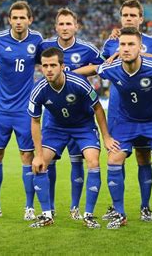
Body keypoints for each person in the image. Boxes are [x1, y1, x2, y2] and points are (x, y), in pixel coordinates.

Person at [77, 27, 152, 230]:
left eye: (131, 44)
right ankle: (120, 213)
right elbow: (92, 70)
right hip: (126, 121)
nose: (125, 48)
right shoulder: (112, 67)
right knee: (114, 159)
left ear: (140, 47)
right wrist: (67, 73)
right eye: (122, 44)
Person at [28, 47, 117, 228]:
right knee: (40, 164)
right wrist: (37, 154)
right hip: (56, 128)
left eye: (53, 65)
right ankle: (46, 215)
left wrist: (106, 136)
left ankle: (89, 215)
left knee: (93, 161)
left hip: (83, 126)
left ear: (62, 66)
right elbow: (35, 122)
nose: (49, 69)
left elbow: (98, 108)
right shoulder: (39, 90)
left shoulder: (79, 83)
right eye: (45, 66)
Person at [0, 1, 43, 221]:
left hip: (25, 111)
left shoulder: (37, 40)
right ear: (9, 20)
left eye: (22, 17)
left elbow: (48, 62)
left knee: (27, 156)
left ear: (29, 20)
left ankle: (29, 207)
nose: (18, 22)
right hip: (0, 110)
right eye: (14, 18)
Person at [38, 7, 104, 220]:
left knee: (77, 160)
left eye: (69, 24)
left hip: (80, 113)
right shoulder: (45, 46)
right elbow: (27, 62)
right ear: (55, 27)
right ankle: (51, 206)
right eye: (61, 24)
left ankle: (75, 207)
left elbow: (102, 66)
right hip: (53, 113)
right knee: (50, 161)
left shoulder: (87, 48)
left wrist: (74, 73)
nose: (65, 28)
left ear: (76, 26)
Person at [101, 0, 152, 222]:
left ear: (141, 18)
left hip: (146, 109)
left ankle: (145, 207)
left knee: (143, 156)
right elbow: (102, 66)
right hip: (118, 110)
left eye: (133, 15)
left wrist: (141, 55)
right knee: (117, 156)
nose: (129, 18)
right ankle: (118, 207)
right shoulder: (111, 42)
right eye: (125, 15)